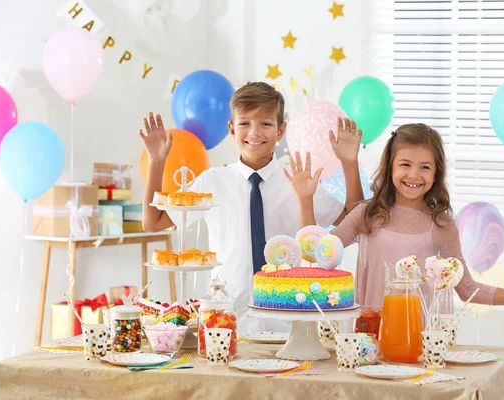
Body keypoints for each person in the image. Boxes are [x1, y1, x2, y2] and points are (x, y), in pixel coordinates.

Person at [139, 82, 364, 332]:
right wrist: (156, 162)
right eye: (245, 123)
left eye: (266, 124)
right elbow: (154, 222)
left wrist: (349, 162)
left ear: (281, 131)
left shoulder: (298, 179)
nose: (255, 133)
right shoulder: (211, 181)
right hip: (226, 322)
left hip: (289, 324)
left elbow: (354, 223)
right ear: (231, 129)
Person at [286, 123, 504, 314]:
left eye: (425, 167)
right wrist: (304, 199)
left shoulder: (442, 225)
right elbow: (316, 256)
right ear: (389, 169)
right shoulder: (368, 214)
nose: (414, 175)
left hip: (421, 342)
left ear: (436, 174)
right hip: (367, 336)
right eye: (405, 165)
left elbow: (466, 288)